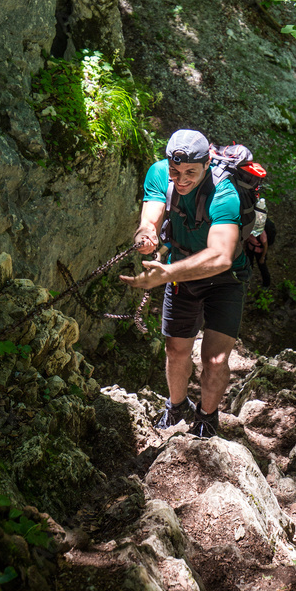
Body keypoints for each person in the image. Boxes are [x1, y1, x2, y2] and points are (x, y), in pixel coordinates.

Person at [120, 129, 250, 439]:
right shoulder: (159, 173)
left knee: (215, 359)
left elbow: (221, 257)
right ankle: (176, 406)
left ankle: (207, 416)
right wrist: (145, 238)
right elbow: (148, 222)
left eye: (190, 172)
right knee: (176, 349)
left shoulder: (224, 193)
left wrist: (167, 273)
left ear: (206, 164)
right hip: (181, 271)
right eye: (176, 171)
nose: (181, 179)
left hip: (224, 280)